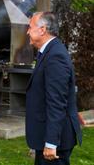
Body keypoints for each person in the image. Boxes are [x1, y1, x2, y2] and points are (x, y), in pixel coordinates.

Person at [26, 12, 82, 165]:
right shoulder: (48, 52)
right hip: (46, 136)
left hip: (55, 141)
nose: (27, 32)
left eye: (30, 27)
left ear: (42, 29)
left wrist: (51, 142)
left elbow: (56, 102)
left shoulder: (55, 55)